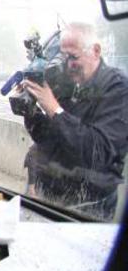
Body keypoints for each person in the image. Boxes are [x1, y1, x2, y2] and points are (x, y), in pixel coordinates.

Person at [21, 22, 128, 220]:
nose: (68, 64)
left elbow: (99, 153)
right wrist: (31, 110)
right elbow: (49, 139)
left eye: (74, 57)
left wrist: (55, 110)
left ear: (96, 51)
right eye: (64, 56)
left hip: (89, 205)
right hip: (49, 194)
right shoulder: (65, 80)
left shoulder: (118, 88)